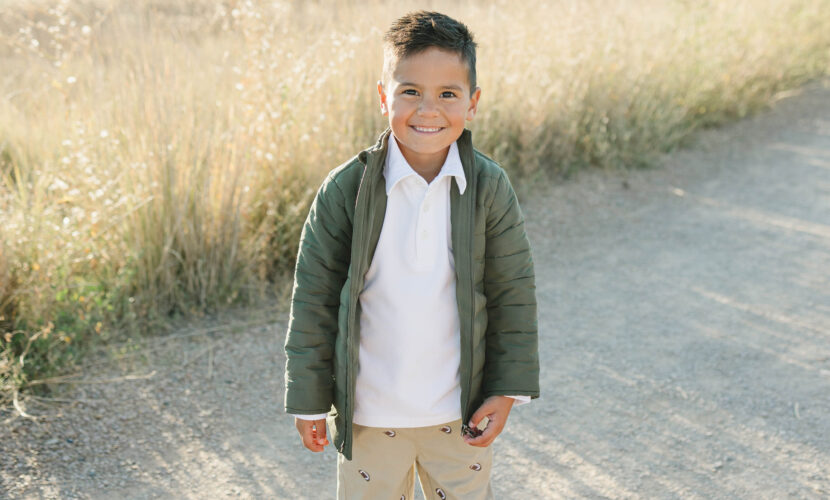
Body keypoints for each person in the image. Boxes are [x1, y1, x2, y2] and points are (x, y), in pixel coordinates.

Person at [283, 10, 539, 499]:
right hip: (368, 420)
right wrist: (309, 401)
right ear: (384, 97)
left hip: (457, 417)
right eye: (410, 91)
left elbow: (513, 295)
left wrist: (506, 391)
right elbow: (313, 298)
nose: (428, 110)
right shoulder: (347, 189)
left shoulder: (488, 188)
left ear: (473, 103)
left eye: (447, 94)